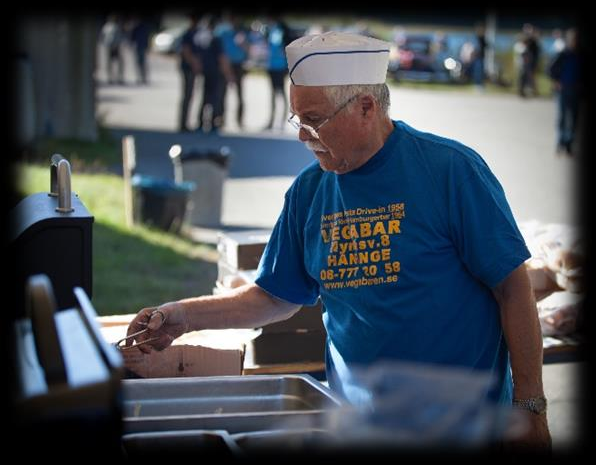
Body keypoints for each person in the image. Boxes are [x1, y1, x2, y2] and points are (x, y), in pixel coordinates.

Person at [125, 31, 551, 452]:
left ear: (366, 107)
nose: (302, 135)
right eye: (298, 119)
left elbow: (512, 288)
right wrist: (182, 316)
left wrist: (530, 406)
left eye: (314, 119)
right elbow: (274, 297)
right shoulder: (310, 191)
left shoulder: (450, 170)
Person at [548, 27, 580, 156]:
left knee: (574, 119)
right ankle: (560, 143)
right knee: (562, 117)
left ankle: (569, 144)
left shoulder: (581, 55)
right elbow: (550, 69)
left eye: (577, 39)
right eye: (572, 39)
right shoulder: (563, 54)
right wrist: (556, 81)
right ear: (568, 40)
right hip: (563, 90)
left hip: (576, 91)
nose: (575, 42)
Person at [216, 12, 250, 129]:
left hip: (238, 64)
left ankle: (239, 120)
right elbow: (220, 50)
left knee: (240, 94)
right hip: (226, 63)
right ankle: (220, 118)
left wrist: (243, 43)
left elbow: (249, 49)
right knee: (222, 93)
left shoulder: (242, 33)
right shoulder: (222, 32)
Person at [264, 16, 291, 130]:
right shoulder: (270, 31)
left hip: (280, 66)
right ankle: (271, 120)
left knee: (281, 93)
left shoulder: (281, 30)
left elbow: (282, 46)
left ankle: (282, 121)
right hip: (271, 66)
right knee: (273, 94)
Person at [178, 13, 202, 132]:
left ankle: (185, 122)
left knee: (190, 95)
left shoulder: (196, 33)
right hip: (188, 68)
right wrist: (195, 64)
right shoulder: (188, 34)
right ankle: (183, 123)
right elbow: (186, 51)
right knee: (187, 95)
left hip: (191, 68)